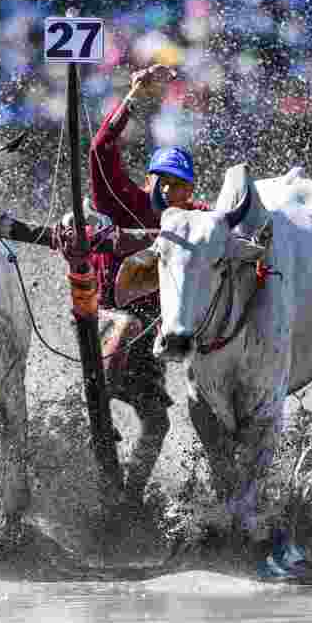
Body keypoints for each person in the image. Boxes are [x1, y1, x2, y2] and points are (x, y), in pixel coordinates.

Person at [86, 63, 208, 509]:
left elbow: (230, 226)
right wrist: (133, 98)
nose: (174, 195)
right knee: (126, 326)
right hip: (105, 321)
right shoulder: (124, 201)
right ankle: (95, 412)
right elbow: (100, 150)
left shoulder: (195, 217)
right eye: (167, 184)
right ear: (151, 181)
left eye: (183, 188)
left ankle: (129, 499)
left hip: (152, 336)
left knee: (157, 423)